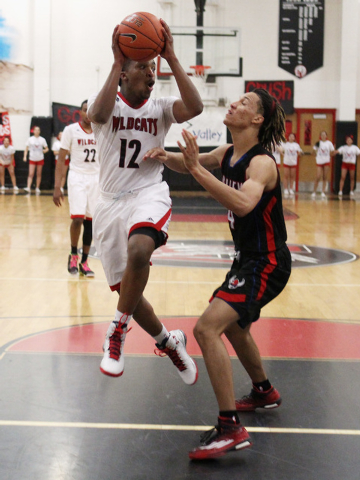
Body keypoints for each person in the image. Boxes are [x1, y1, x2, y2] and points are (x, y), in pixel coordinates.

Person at [145, 88, 291, 460]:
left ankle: (230, 427)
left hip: (268, 261)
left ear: (257, 119)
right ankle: (264, 391)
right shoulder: (228, 153)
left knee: (206, 328)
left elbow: (244, 204)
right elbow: (195, 161)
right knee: (234, 327)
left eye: (245, 103)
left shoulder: (261, 164)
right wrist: (168, 156)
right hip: (247, 260)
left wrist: (193, 169)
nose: (235, 103)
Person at [86, 22, 203, 384]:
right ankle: (169, 342)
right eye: (142, 67)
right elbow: (98, 117)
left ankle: (116, 333)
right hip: (108, 203)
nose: (150, 74)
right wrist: (115, 61)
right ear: (123, 73)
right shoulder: (104, 100)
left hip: (148, 192)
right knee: (129, 295)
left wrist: (170, 56)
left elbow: (195, 106)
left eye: (153, 68)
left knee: (140, 251)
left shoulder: (162, 106)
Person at [53, 100, 99, 277]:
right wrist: (57, 186)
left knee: (90, 222)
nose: (88, 114)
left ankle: (84, 262)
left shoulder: (102, 130)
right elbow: (61, 159)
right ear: (80, 112)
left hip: (96, 178)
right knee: (78, 219)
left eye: (91, 111)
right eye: (86, 110)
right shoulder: (70, 130)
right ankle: (73, 254)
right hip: (77, 177)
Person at [23, 126, 49, 194]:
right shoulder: (30, 139)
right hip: (32, 158)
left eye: (38, 130)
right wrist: (25, 156)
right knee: (31, 173)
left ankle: (37, 187)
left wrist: (44, 151)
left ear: (39, 131)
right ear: (33, 131)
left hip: (40, 158)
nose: (37, 131)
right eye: (36, 130)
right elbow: (26, 149)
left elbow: (47, 148)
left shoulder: (42, 139)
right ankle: (28, 187)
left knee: (39, 174)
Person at [311, 131, 335, 198]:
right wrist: (316, 154)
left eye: (324, 135)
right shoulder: (318, 143)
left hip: (326, 161)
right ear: (320, 136)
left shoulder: (329, 143)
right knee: (318, 176)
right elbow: (313, 152)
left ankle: (323, 191)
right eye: (322, 135)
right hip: (319, 161)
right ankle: (314, 191)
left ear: (326, 136)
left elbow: (332, 152)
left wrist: (330, 155)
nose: (323, 136)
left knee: (325, 176)